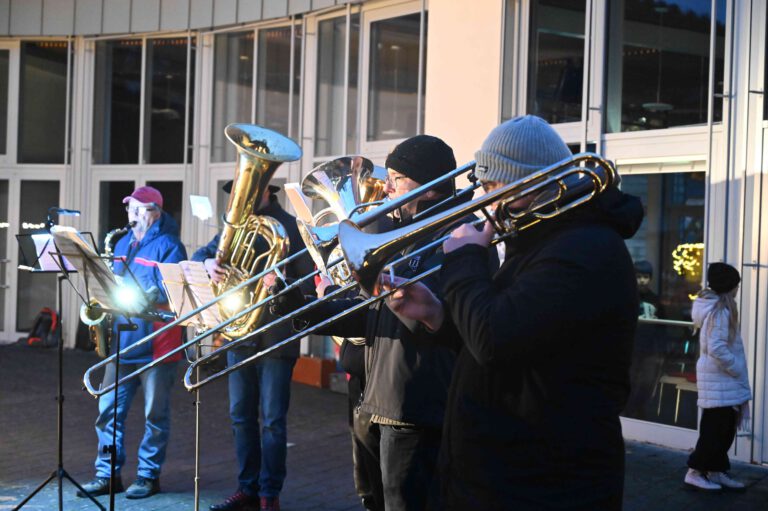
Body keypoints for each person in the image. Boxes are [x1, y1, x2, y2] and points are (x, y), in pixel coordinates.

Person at [385, 115, 644, 509]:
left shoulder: (582, 250)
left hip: (544, 483)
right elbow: (516, 333)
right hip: (508, 474)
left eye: (493, 187)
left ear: (531, 184)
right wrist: (436, 314)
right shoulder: (546, 241)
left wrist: (465, 260)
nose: (487, 203)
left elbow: (495, 339)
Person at [271, 135, 472, 511]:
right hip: (386, 399)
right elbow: (372, 314)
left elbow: (435, 320)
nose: (387, 188)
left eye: (396, 178)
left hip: (418, 406)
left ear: (428, 187)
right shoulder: (407, 231)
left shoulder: (457, 233)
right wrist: (304, 309)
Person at [201, 183, 313, 511]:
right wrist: (208, 263)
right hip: (240, 335)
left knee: (273, 420)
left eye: (249, 190)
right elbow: (203, 254)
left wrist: (282, 284)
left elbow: (310, 281)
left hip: (276, 337)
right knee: (240, 416)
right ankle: (247, 488)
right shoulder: (236, 225)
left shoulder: (290, 226)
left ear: (266, 190)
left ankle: (269, 493)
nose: (241, 198)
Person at [78, 186, 187, 499]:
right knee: (108, 413)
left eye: (139, 209)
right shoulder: (122, 242)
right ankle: (107, 474)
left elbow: (174, 290)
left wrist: (144, 291)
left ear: (155, 212)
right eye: (130, 209)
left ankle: (148, 475)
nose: (132, 215)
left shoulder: (170, 245)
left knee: (155, 416)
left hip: (157, 344)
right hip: (122, 343)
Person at [684, 262, 752, 491]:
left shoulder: (719, 308)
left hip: (719, 380)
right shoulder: (720, 311)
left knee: (723, 430)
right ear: (730, 287)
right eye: (736, 285)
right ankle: (695, 472)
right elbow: (716, 348)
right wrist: (736, 368)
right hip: (720, 379)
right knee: (715, 431)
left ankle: (715, 470)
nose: (738, 288)